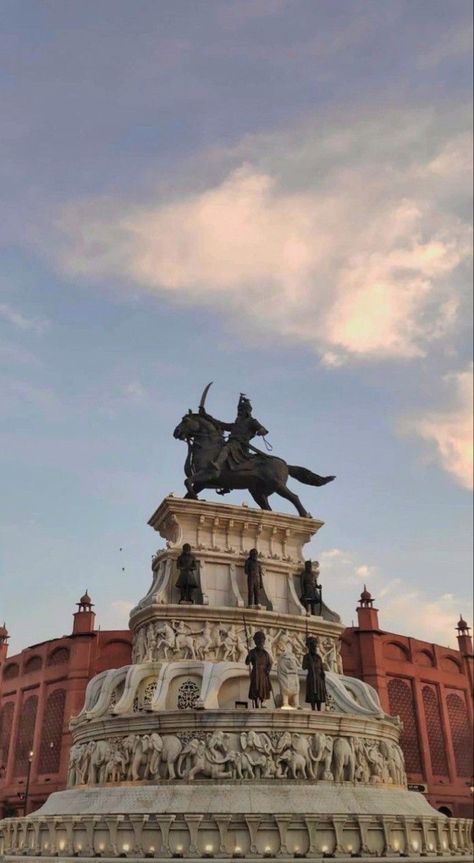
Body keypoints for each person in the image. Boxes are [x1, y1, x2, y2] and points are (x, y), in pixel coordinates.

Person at [200, 393, 268, 478]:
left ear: (246, 411)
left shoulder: (252, 421)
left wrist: (261, 431)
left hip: (241, 445)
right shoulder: (235, 424)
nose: (239, 412)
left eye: (241, 410)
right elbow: (220, 424)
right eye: (238, 410)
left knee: (226, 449)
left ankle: (217, 465)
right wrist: (206, 416)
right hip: (231, 443)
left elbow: (263, 430)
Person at [245, 631, 273, 708]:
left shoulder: (265, 653)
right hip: (256, 672)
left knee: (263, 688)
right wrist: (249, 657)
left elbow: (270, 663)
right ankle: (256, 702)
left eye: (262, 640)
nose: (260, 642)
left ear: (264, 642)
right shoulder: (252, 652)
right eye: (258, 640)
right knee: (255, 687)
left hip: (263, 673)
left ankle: (262, 702)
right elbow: (247, 662)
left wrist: (268, 670)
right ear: (255, 642)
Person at [302, 636, 327, 711]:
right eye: (313, 646)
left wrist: (323, 675)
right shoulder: (306, 657)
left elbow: (322, 668)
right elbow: (304, 667)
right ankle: (313, 708)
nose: (315, 648)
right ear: (309, 647)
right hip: (311, 677)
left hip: (319, 677)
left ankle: (319, 708)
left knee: (319, 693)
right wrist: (309, 661)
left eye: (315, 646)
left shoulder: (318, 657)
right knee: (312, 693)